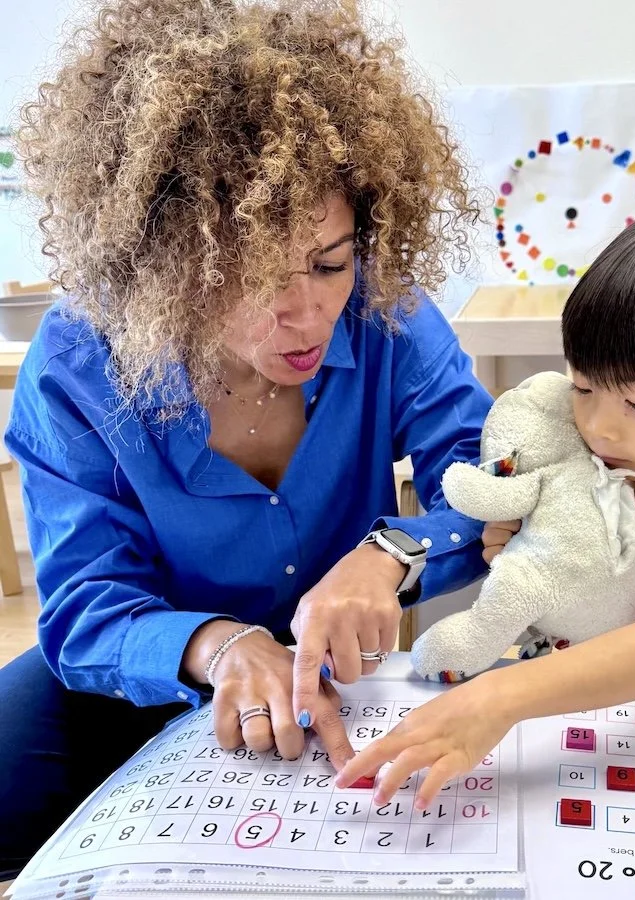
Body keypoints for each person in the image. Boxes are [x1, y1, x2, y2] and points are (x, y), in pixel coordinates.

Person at [0, 0, 495, 876]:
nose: (304, 313)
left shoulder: (390, 314)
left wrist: (391, 553)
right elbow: (85, 613)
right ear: (163, 266)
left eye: (330, 261)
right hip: (147, 669)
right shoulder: (78, 363)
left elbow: (491, 485)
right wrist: (220, 644)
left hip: (340, 675)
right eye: (249, 277)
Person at [337, 204, 635, 808]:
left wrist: (496, 700)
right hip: (577, 735)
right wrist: (513, 552)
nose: (600, 426)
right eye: (582, 387)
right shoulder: (576, 468)